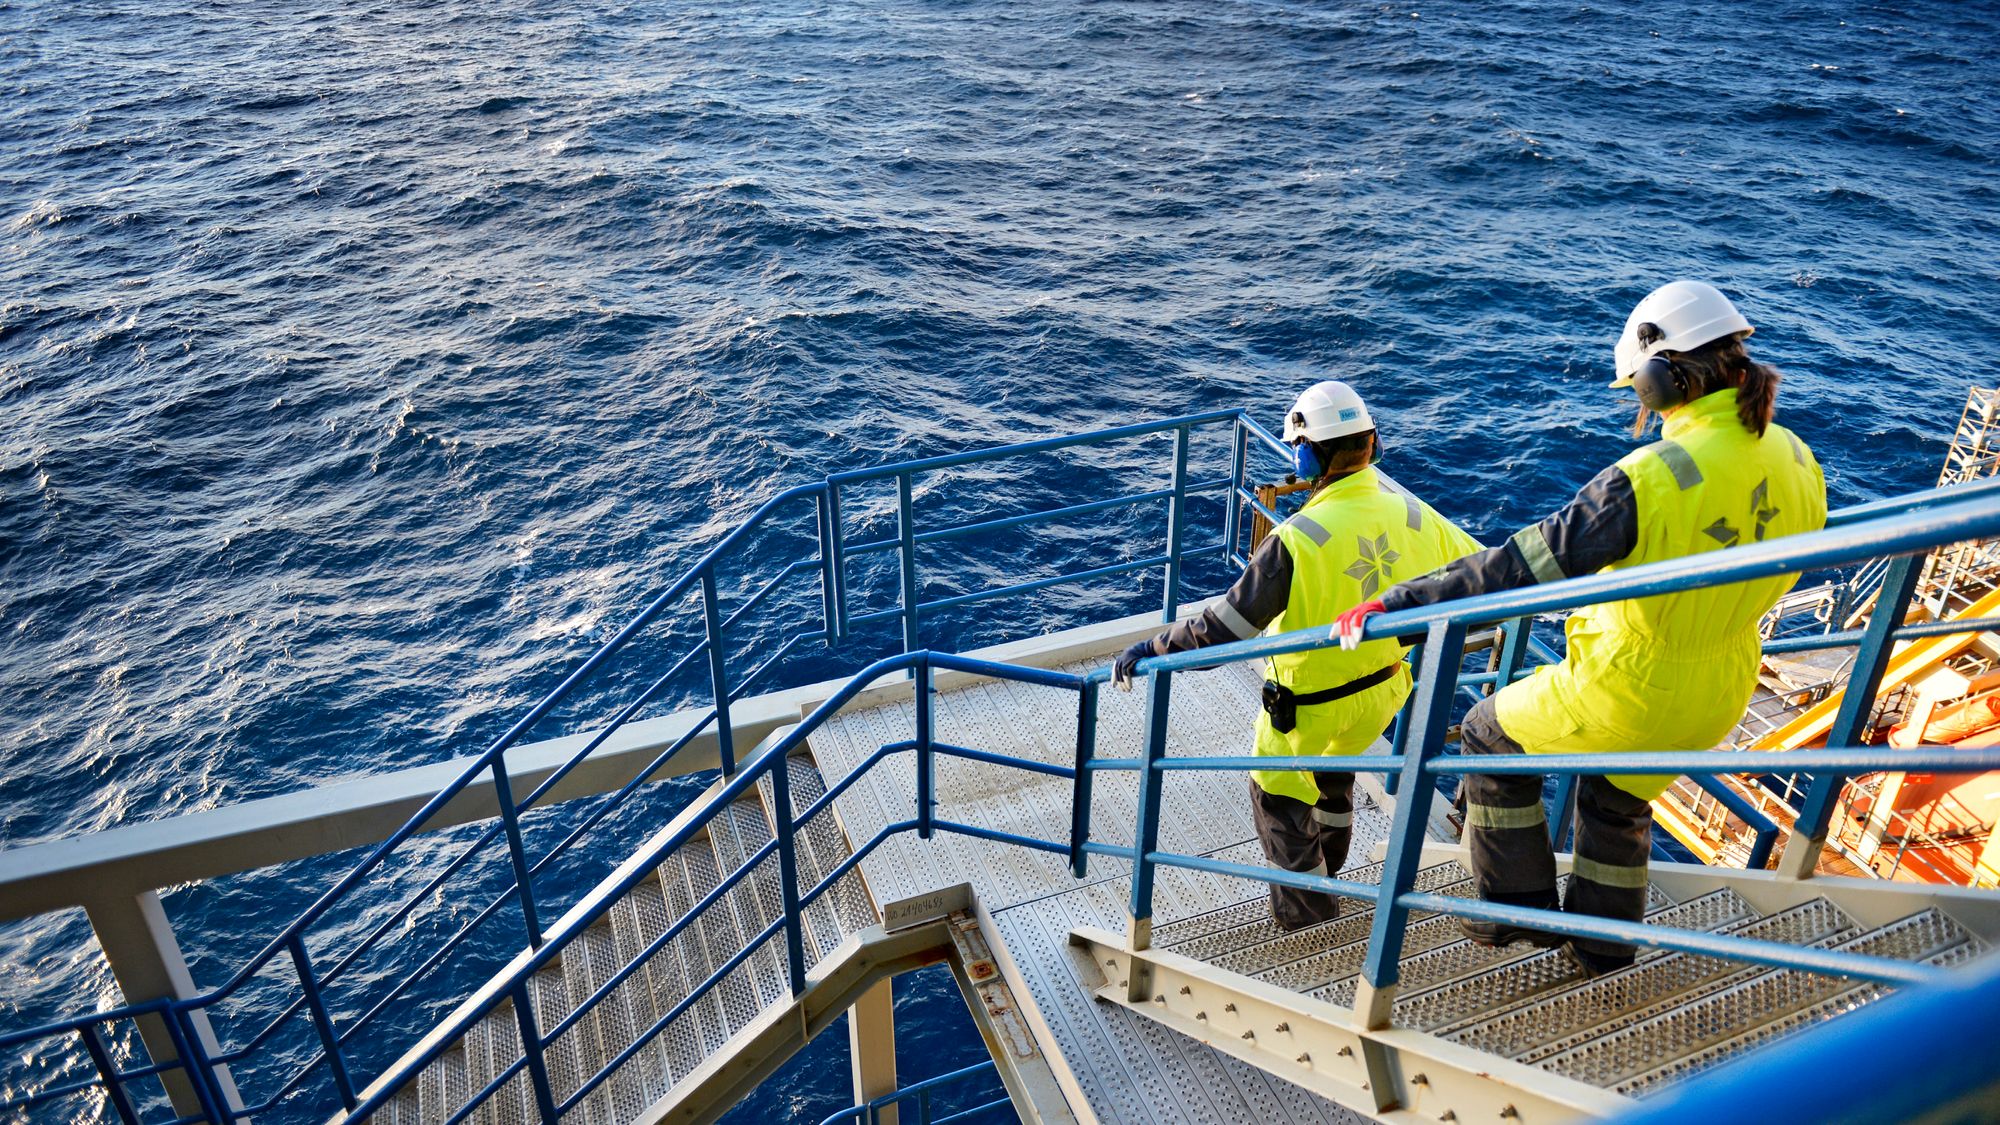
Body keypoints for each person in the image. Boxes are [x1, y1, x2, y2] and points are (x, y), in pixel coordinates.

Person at [1333, 280, 1827, 975]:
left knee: (1485, 734)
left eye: (1637, 387)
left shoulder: (1651, 476)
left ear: (1662, 378)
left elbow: (1520, 566)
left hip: (1632, 683)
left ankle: (1514, 911)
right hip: (1724, 685)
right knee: (1615, 795)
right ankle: (1602, 946)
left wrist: (1400, 603)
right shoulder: (1798, 456)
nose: (1637, 403)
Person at [1113, 381, 1483, 931]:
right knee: (1334, 779)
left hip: (1304, 709)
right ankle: (1329, 870)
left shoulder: (1296, 537)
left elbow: (1226, 630)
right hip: (1381, 692)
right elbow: (1485, 575)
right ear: (1371, 445)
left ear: (1307, 454)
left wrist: (1151, 649)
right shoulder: (1414, 513)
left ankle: (1309, 916)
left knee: (1278, 795)